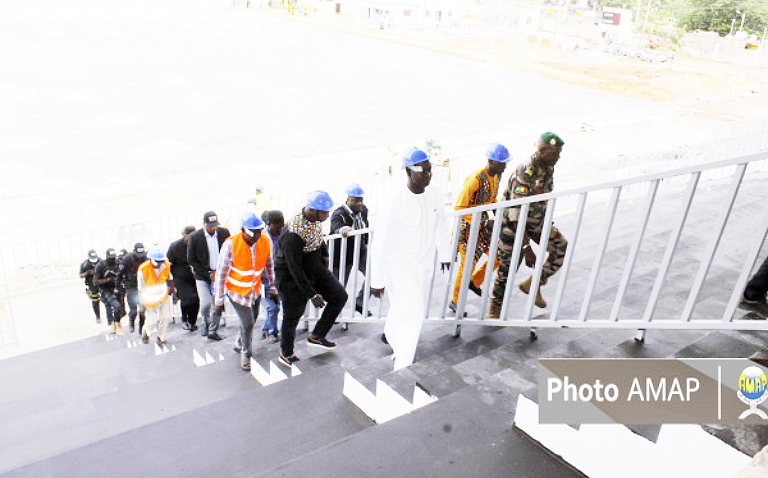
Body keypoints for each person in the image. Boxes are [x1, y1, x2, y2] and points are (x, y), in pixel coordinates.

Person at [370, 147, 451, 371]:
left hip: (424, 264)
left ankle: (391, 335)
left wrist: (444, 254)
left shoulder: (434, 193)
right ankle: (403, 366)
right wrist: (376, 280)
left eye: (429, 170)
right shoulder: (394, 201)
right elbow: (381, 243)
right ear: (408, 171)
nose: (427, 175)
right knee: (414, 313)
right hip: (399, 267)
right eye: (422, 171)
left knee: (405, 309)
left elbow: (442, 225)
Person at [488, 132, 568, 318]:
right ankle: (495, 307)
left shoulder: (548, 166)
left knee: (560, 246)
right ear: (541, 150)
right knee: (508, 269)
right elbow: (516, 212)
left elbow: (541, 200)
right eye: (554, 153)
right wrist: (526, 248)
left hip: (535, 222)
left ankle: (534, 283)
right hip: (512, 226)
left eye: (559, 153)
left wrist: (547, 223)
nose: (558, 157)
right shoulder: (527, 170)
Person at [275, 191, 348, 367]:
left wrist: (324, 254)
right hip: (292, 278)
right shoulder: (293, 232)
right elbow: (294, 268)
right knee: (292, 316)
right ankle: (286, 353)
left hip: (315, 268)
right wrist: (311, 294)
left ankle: (317, 335)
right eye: (324, 212)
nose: (327, 216)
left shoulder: (314, 221)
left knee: (340, 296)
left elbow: (318, 238)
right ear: (312, 210)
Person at [213, 212, 278, 371]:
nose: (256, 235)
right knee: (248, 323)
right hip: (236, 293)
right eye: (252, 232)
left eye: (259, 231)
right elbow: (221, 274)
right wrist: (219, 301)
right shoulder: (230, 245)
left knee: (252, 319)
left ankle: (239, 343)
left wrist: (273, 287)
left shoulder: (265, 240)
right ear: (242, 230)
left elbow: (269, 266)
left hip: (254, 290)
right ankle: (246, 354)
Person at [450, 143, 511, 311]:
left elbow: (491, 199)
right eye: (502, 162)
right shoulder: (474, 180)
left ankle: (474, 281)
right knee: (468, 263)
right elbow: (459, 208)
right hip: (467, 229)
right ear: (491, 161)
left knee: (498, 256)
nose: (505, 166)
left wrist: (497, 212)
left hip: (482, 227)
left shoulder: (496, 177)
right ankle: (455, 301)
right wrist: (485, 221)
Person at [187, 211, 230, 340]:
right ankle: (205, 324)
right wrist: (207, 274)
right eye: (210, 225)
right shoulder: (195, 237)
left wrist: (220, 272)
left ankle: (213, 330)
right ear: (204, 224)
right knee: (205, 304)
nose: (213, 228)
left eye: (215, 225)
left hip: (220, 275)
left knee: (218, 304)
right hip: (202, 276)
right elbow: (191, 259)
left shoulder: (224, 233)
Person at [330, 183, 371, 316]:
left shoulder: (364, 210)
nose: (359, 203)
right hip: (342, 254)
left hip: (360, 250)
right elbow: (337, 226)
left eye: (360, 200)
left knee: (374, 274)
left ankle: (359, 302)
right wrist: (343, 229)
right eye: (355, 200)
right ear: (348, 199)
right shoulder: (339, 214)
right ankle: (334, 314)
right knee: (338, 288)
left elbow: (366, 225)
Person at [139, 247, 176, 346]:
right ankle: (146, 332)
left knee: (165, 318)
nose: (160, 263)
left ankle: (160, 338)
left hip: (163, 296)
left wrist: (174, 295)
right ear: (151, 260)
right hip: (150, 299)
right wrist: (142, 305)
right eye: (157, 261)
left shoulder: (166, 264)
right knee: (152, 321)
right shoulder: (143, 269)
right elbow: (140, 288)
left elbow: (170, 279)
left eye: (161, 261)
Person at [167, 226, 200, 331]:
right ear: (185, 236)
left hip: (195, 276)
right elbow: (168, 264)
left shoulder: (197, 244)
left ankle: (192, 322)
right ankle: (184, 319)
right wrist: (170, 282)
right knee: (187, 299)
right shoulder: (174, 247)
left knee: (196, 300)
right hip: (180, 278)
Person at [261, 210, 284, 342]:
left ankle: (266, 330)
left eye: (282, 225)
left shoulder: (282, 235)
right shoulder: (262, 237)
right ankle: (272, 332)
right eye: (277, 226)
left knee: (276, 307)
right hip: (263, 280)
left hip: (278, 277)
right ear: (269, 224)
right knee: (273, 308)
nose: (280, 229)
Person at [93, 248, 126, 334]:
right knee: (116, 306)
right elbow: (95, 281)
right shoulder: (100, 266)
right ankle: (115, 325)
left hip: (118, 287)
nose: (112, 259)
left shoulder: (119, 263)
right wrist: (108, 279)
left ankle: (115, 323)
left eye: (113, 257)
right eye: (110, 257)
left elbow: (123, 273)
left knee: (120, 310)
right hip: (106, 289)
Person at [120, 243, 147, 333]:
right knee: (133, 310)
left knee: (143, 310)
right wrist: (118, 287)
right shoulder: (127, 259)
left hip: (142, 286)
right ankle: (131, 322)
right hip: (131, 286)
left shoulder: (146, 257)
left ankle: (141, 327)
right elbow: (119, 274)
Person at [79, 249, 102, 323]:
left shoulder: (100, 261)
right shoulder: (85, 264)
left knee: (108, 298)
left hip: (102, 282)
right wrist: (87, 273)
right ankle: (98, 316)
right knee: (95, 301)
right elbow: (81, 275)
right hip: (92, 284)